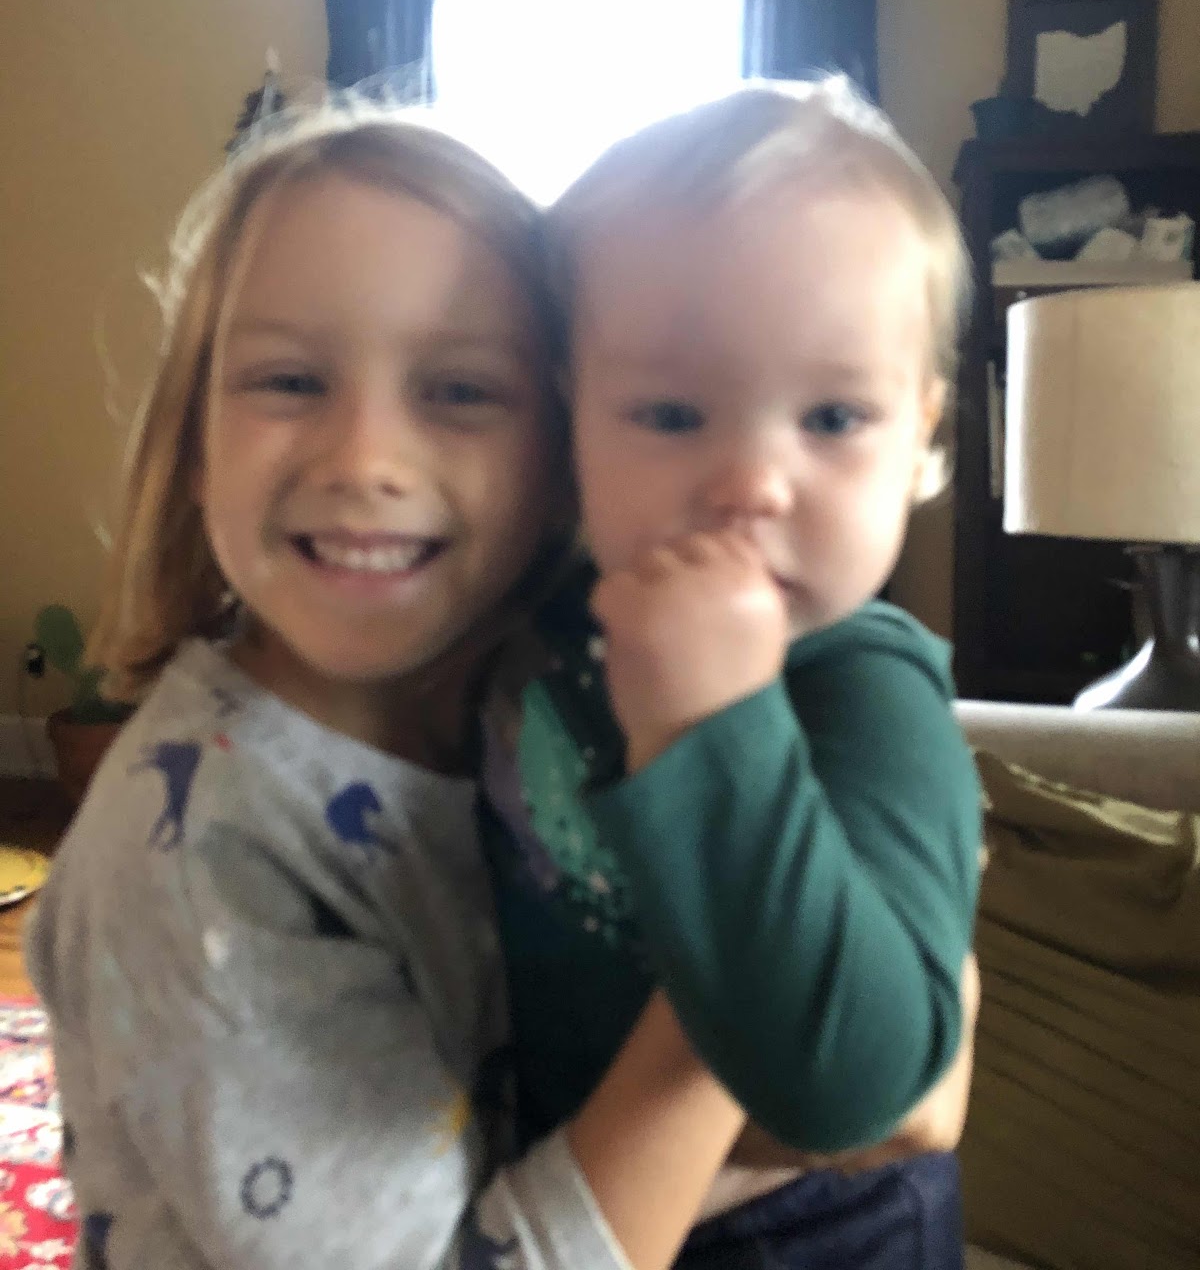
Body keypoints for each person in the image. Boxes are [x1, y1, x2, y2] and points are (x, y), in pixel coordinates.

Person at [25, 102, 757, 1270]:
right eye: (289, 379)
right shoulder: (199, 858)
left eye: (460, 390)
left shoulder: (531, 697)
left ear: (563, 457)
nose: (365, 457)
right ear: (197, 442)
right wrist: (752, 1019)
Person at [480, 78, 984, 1267]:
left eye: (833, 417)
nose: (752, 483)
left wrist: (713, 718)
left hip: (824, 1238)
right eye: (669, 413)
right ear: (570, 418)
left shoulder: (871, 694)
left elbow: (859, 1091)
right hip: (565, 1192)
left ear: (924, 438)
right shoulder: (534, 620)